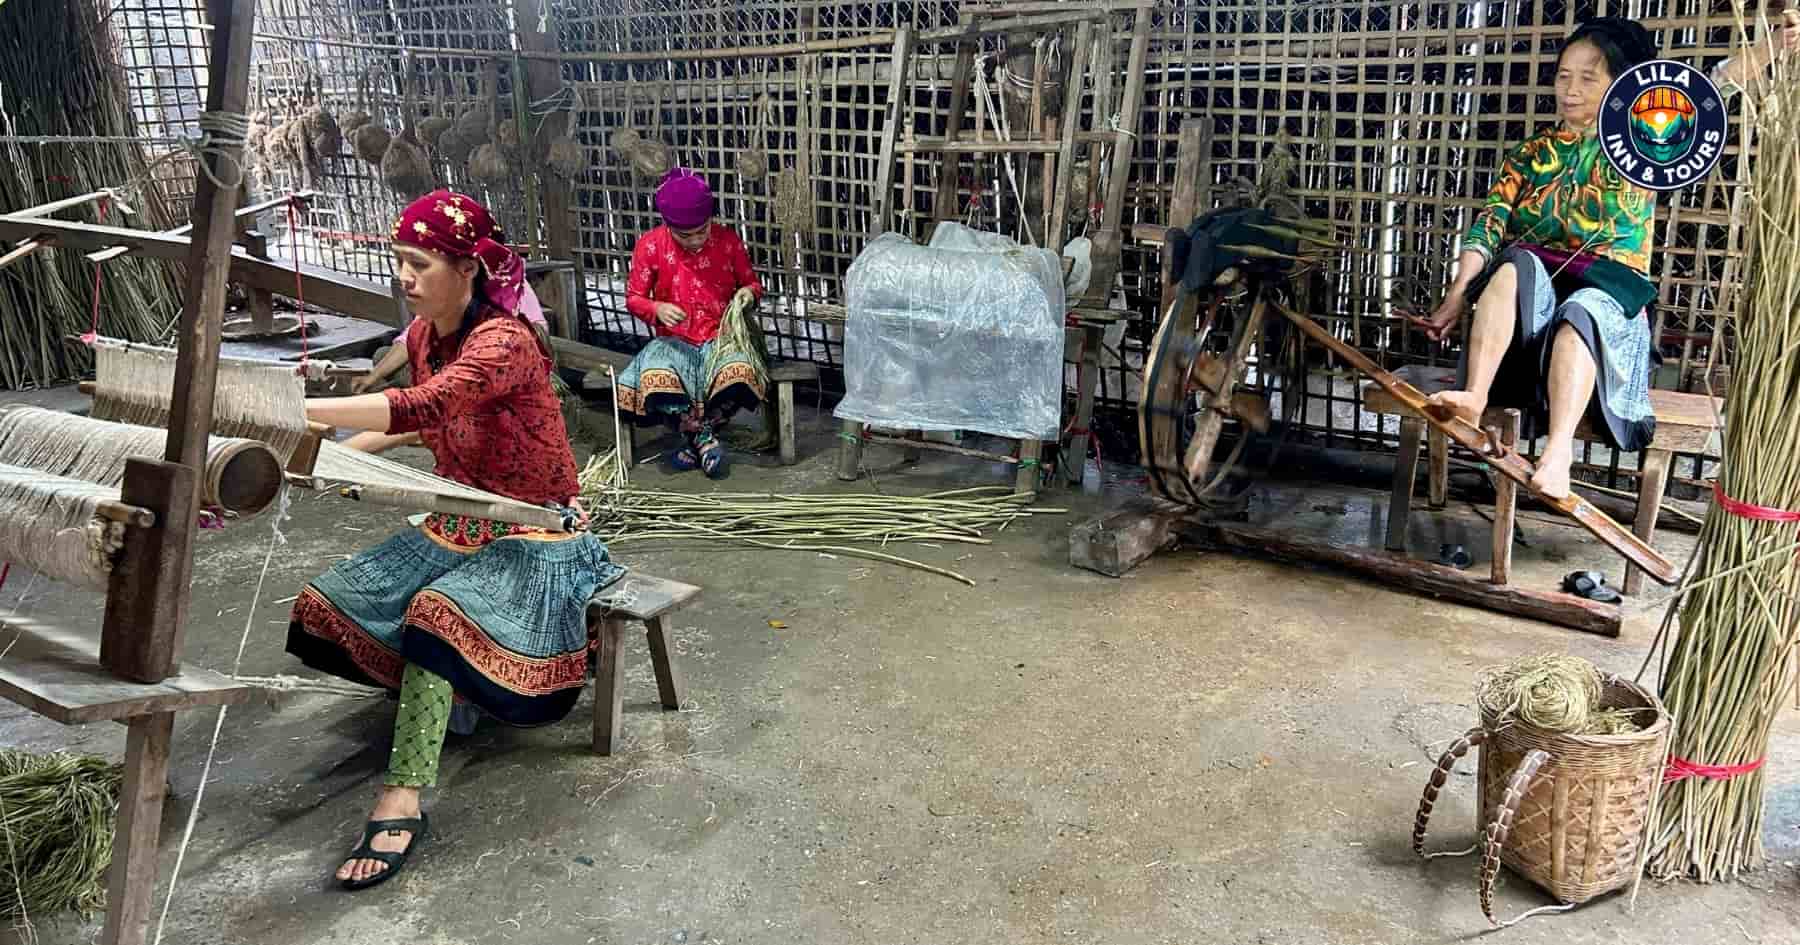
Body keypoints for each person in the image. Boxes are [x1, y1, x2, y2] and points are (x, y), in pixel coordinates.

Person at [289, 190, 625, 891]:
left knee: (436, 614)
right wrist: (330, 453)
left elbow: (431, 404)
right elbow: (420, 427)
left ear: (468, 268)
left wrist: (292, 408)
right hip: (458, 519)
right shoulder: (422, 337)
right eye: (399, 263)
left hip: (536, 533)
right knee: (329, 601)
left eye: (419, 264)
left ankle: (403, 797)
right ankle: (457, 685)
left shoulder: (502, 341)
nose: (405, 279)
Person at [1411, 17, 1662, 500]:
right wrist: (1456, 295)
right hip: (1532, 310)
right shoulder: (1533, 152)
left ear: (1622, 84)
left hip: (1608, 292)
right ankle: (1474, 395)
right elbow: (1489, 224)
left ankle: (1558, 453)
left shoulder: (1643, 144)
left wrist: (1772, 48)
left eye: (1589, 77)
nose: (1571, 89)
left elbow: (1709, 90)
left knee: (1582, 312)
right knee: (1510, 267)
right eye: (1564, 75)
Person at [618, 167, 766, 478]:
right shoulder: (650, 246)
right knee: (656, 376)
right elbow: (633, 298)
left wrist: (745, 296)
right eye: (685, 235)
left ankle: (697, 438)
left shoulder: (728, 242)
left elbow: (752, 284)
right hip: (673, 342)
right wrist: (656, 308)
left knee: (741, 372)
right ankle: (704, 439)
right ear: (667, 224)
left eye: (703, 230)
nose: (697, 240)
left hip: (721, 338)